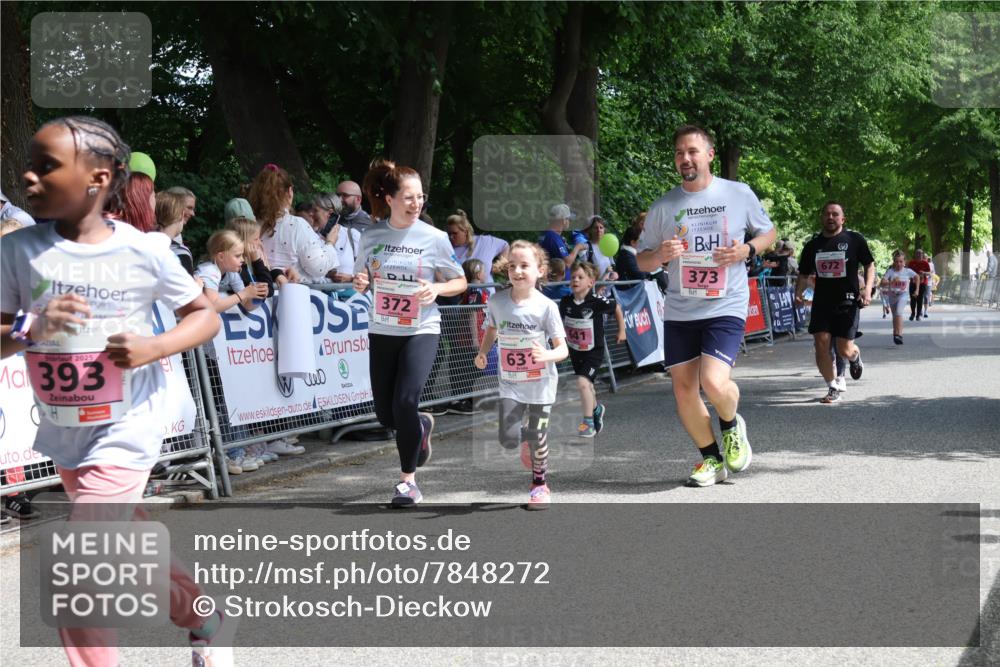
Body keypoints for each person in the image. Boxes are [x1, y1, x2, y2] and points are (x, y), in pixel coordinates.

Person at [1, 116, 231, 666]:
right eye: (28, 165)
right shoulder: (16, 251)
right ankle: (203, 615)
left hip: (128, 426)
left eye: (47, 166)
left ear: (98, 179)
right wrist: (30, 329)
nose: (28, 178)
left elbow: (204, 317)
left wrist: (155, 347)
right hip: (66, 431)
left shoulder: (143, 250)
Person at [636, 124, 776, 486]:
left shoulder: (738, 193)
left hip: (725, 304)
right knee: (683, 389)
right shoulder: (664, 206)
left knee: (713, 383)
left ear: (710, 154)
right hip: (681, 308)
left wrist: (746, 250)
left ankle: (731, 424)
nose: (685, 158)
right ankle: (711, 459)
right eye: (680, 152)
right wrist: (660, 255)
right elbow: (641, 261)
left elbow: (769, 233)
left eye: (693, 151)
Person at [352, 159, 467, 507]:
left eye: (420, 197)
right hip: (383, 329)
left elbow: (460, 281)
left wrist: (436, 289)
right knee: (387, 415)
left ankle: (408, 482)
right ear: (389, 198)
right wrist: (360, 282)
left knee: (405, 401)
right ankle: (420, 427)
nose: (416, 204)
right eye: (409, 197)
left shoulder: (434, 238)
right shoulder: (371, 235)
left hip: (422, 328)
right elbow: (364, 277)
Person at [475, 240, 567, 509]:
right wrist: (483, 353)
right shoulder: (497, 302)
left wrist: (547, 355)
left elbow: (562, 349)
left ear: (540, 270)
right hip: (512, 382)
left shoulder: (546, 306)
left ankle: (540, 485)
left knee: (538, 435)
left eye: (524, 266)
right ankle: (524, 434)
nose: (517, 271)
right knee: (508, 438)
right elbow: (491, 329)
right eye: (512, 266)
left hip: (540, 383)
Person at [795, 201, 875, 404]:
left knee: (844, 349)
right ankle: (832, 386)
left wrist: (867, 290)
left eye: (835, 214)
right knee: (820, 345)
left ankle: (855, 357)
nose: (830, 217)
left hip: (847, 301)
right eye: (827, 214)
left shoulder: (854, 239)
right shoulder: (813, 246)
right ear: (822, 218)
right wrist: (798, 293)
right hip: (822, 302)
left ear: (842, 219)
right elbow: (803, 273)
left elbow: (869, 264)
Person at [559, 261, 626, 438]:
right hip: (575, 350)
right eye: (573, 277)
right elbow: (559, 324)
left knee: (582, 383)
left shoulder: (596, 301)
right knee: (587, 386)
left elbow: (616, 308)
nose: (575, 280)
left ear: (591, 282)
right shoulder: (565, 302)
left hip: (593, 351)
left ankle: (588, 423)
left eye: (580, 277)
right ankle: (596, 410)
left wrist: (622, 330)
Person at [249, 164, 340, 282]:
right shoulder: (297, 225)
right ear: (290, 191)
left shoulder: (248, 224)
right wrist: (330, 243)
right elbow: (318, 268)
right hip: (292, 295)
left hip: (257, 294)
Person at [446, 209, 509, 282]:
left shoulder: (486, 242)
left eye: (454, 233)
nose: (451, 237)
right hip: (459, 292)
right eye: (449, 234)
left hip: (489, 292)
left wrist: (500, 264)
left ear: (465, 232)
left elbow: (505, 246)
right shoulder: (447, 249)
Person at [879, 250, 919, 345]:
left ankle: (899, 334)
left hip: (903, 295)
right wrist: (891, 282)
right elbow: (882, 282)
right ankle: (895, 333)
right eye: (896, 261)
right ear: (894, 262)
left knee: (899, 312)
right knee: (894, 315)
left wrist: (917, 290)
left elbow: (917, 276)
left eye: (901, 261)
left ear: (904, 262)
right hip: (892, 295)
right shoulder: (890, 272)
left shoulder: (907, 271)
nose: (899, 264)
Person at [154, 191, 195, 274]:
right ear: (179, 214)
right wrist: (197, 285)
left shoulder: (139, 243)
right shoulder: (180, 254)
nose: (193, 213)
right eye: (189, 208)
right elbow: (184, 287)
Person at [538, 203, 587, 270]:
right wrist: (577, 247)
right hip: (557, 279)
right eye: (569, 219)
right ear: (564, 220)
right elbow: (567, 263)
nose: (569, 222)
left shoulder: (545, 234)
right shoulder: (553, 238)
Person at [580, 215, 617, 281]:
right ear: (590, 230)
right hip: (594, 288)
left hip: (608, 288)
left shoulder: (608, 246)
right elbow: (583, 270)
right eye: (595, 228)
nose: (598, 230)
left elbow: (611, 266)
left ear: (604, 230)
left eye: (601, 227)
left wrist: (613, 274)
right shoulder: (586, 247)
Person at [906, 250, 932, 321]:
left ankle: (918, 315)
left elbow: (929, 273)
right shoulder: (911, 262)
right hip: (913, 283)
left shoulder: (925, 263)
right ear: (915, 254)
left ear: (922, 255)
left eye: (920, 254)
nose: (919, 255)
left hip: (922, 283)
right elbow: (907, 272)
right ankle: (912, 314)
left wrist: (924, 272)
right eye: (917, 253)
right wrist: (911, 277)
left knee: (920, 299)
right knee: (913, 299)